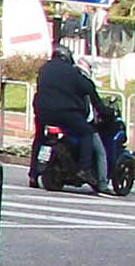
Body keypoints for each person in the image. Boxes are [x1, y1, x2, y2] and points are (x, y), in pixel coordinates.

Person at [33, 30, 106, 189]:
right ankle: (84, 169)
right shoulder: (72, 72)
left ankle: (33, 174)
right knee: (86, 133)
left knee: (39, 138)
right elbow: (89, 90)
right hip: (66, 113)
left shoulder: (44, 69)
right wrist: (103, 110)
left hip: (42, 111)